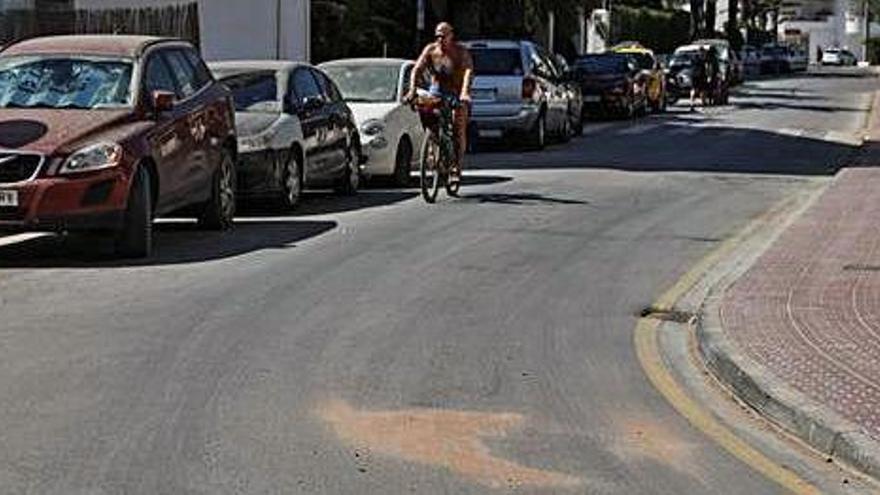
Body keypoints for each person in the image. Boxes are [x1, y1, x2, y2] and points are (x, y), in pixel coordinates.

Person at [406, 22, 474, 183]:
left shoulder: (460, 52)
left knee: (458, 126)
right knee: (424, 110)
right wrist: (412, 90)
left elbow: (468, 73)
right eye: (437, 36)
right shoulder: (431, 50)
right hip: (436, 90)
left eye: (443, 36)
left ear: (451, 35)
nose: (440, 39)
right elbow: (417, 69)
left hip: (457, 92)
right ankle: (432, 145)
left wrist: (464, 93)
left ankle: (456, 166)